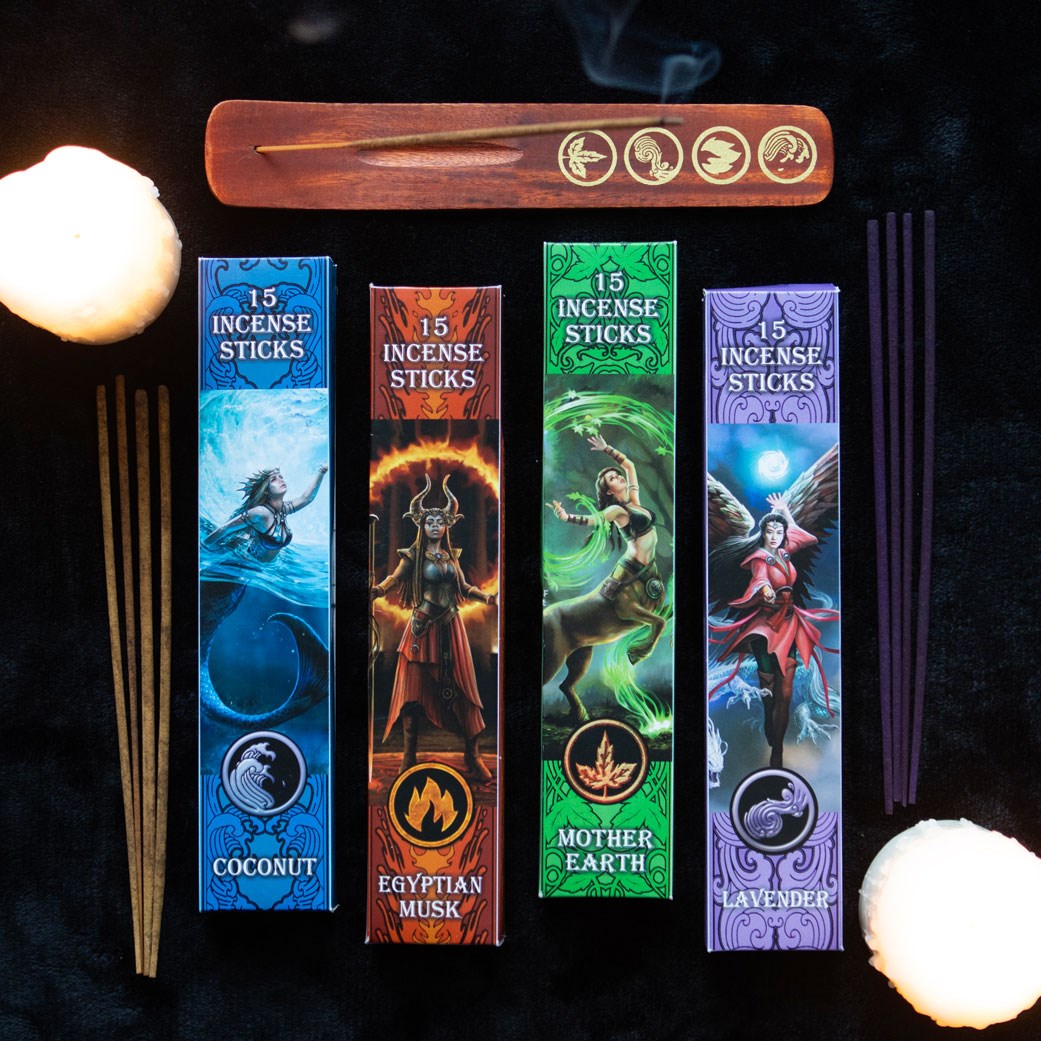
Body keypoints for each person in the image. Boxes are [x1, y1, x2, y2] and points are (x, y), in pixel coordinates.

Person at [371, 474, 497, 782]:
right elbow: (395, 579)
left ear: (447, 526)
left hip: (451, 627)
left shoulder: (451, 557)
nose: (435, 526)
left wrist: (487, 597)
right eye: (430, 522)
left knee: (465, 692)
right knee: (413, 692)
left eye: (440, 522)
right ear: (422, 526)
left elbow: (464, 588)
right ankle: (409, 755)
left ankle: (473, 755)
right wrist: (378, 590)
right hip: (421, 628)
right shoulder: (413, 556)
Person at [709, 492, 838, 768]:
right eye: (771, 531)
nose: (776, 536)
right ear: (763, 534)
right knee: (768, 687)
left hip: (789, 622)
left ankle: (777, 746)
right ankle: (769, 719)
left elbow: (808, 539)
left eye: (780, 532)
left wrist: (785, 511)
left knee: (786, 692)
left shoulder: (786, 552)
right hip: (767, 625)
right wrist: (765, 589)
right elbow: (758, 580)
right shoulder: (759, 558)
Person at [543, 435, 668, 721]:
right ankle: (645, 646)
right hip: (628, 572)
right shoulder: (617, 511)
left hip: (647, 571)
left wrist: (608, 450)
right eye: (613, 478)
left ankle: (571, 695)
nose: (619, 477)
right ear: (609, 491)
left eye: (616, 475)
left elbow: (630, 466)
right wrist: (566, 517)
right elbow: (595, 520)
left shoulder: (634, 502)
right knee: (652, 618)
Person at [203, 464, 328, 562]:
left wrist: (322, 470)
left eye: (281, 477)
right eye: (274, 479)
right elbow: (225, 529)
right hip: (244, 564)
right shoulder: (260, 513)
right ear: (266, 490)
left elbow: (306, 498)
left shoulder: (283, 509)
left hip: (261, 570)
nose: (280, 480)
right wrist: (203, 549)